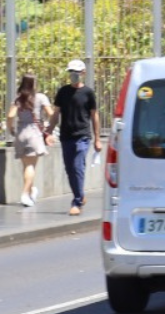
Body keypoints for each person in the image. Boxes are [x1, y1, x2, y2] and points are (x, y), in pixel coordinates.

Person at [53, 59, 102, 216]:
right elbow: (56, 113)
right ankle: (80, 194)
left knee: (77, 166)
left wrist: (98, 138)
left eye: (76, 72)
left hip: (82, 136)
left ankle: (77, 202)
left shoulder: (88, 93)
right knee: (69, 169)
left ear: (83, 73)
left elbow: (94, 116)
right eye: (71, 72)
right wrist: (48, 130)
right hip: (66, 136)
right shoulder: (63, 92)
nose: (73, 75)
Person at [8, 74, 54, 208]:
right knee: (31, 166)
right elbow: (51, 113)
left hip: (21, 134)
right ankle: (24, 194)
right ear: (34, 84)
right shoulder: (40, 98)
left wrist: (11, 127)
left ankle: (31, 190)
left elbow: (11, 115)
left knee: (25, 166)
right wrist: (48, 127)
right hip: (34, 134)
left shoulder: (18, 99)